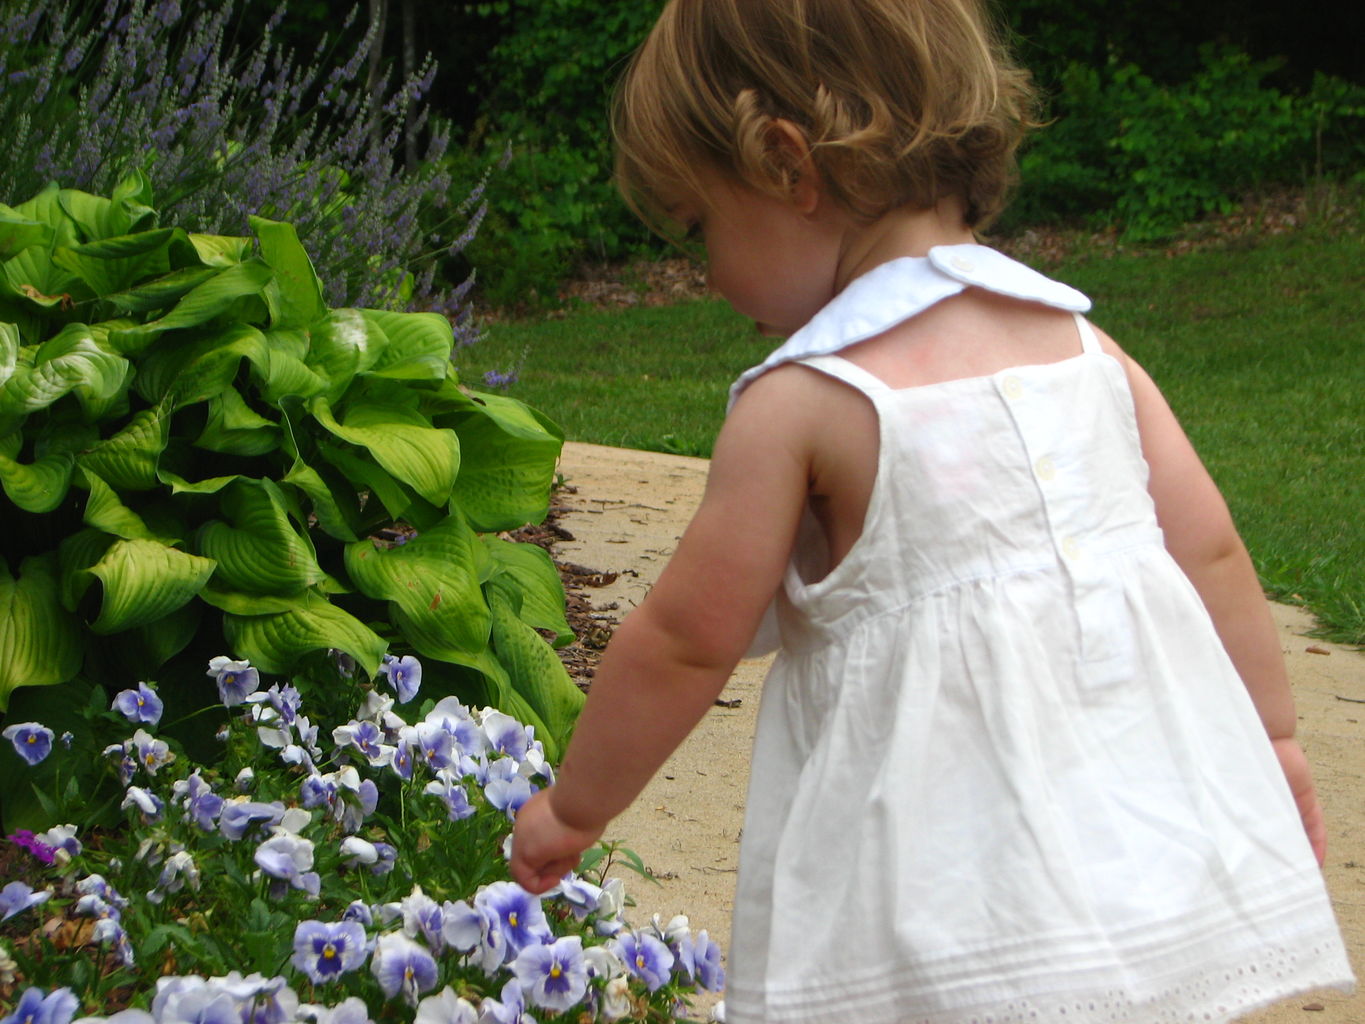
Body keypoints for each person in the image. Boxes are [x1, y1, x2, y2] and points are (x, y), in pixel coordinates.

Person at [509, 0, 1356, 1020]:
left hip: (932, 905)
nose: (707, 275)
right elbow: (1211, 551)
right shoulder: (1088, 350)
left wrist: (575, 804)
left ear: (787, 164)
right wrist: (1270, 742)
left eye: (702, 229)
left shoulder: (801, 405)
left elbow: (687, 640)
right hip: (1120, 867)